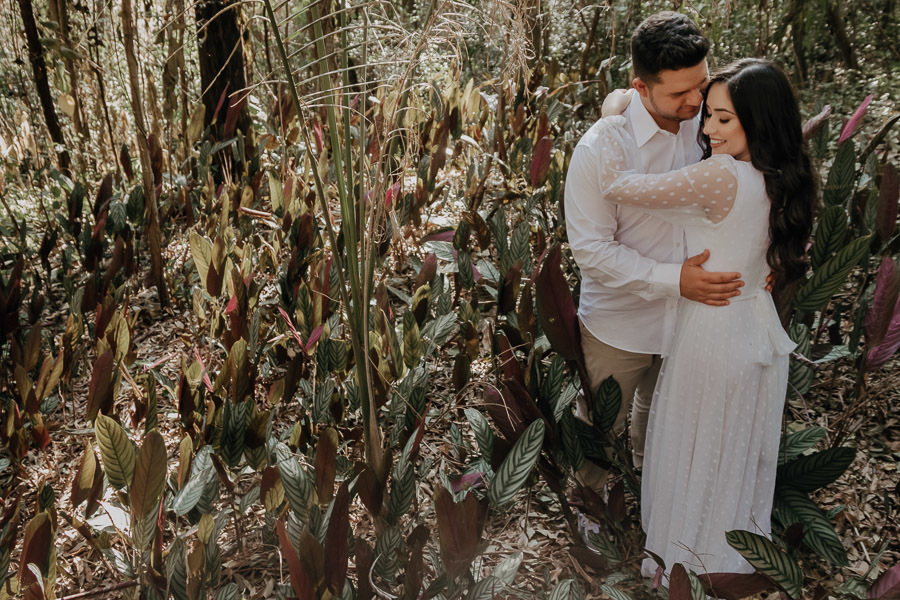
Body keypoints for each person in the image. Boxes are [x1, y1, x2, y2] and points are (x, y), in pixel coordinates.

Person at [595, 58, 816, 576]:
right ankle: (726, 562)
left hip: (714, 334)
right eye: (708, 115)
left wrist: (610, 114)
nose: (709, 129)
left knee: (692, 448)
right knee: (731, 457)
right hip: (756, 333)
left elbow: (618, 186)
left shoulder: (721, 174)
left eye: (724, 118)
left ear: (757, 123)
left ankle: (683, 564)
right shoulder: (784, 178)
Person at [564, 12, 743, 507]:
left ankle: (653, 502)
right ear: (640, 87)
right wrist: (673, 280)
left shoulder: (711, 123)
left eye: (701, 85)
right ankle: (588, 511)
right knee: (600, 427)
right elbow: (591, 251)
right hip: (620, 322)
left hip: (694, 316)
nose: (695, 101)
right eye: (679, 93)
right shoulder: (600, 149)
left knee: (664, 418)